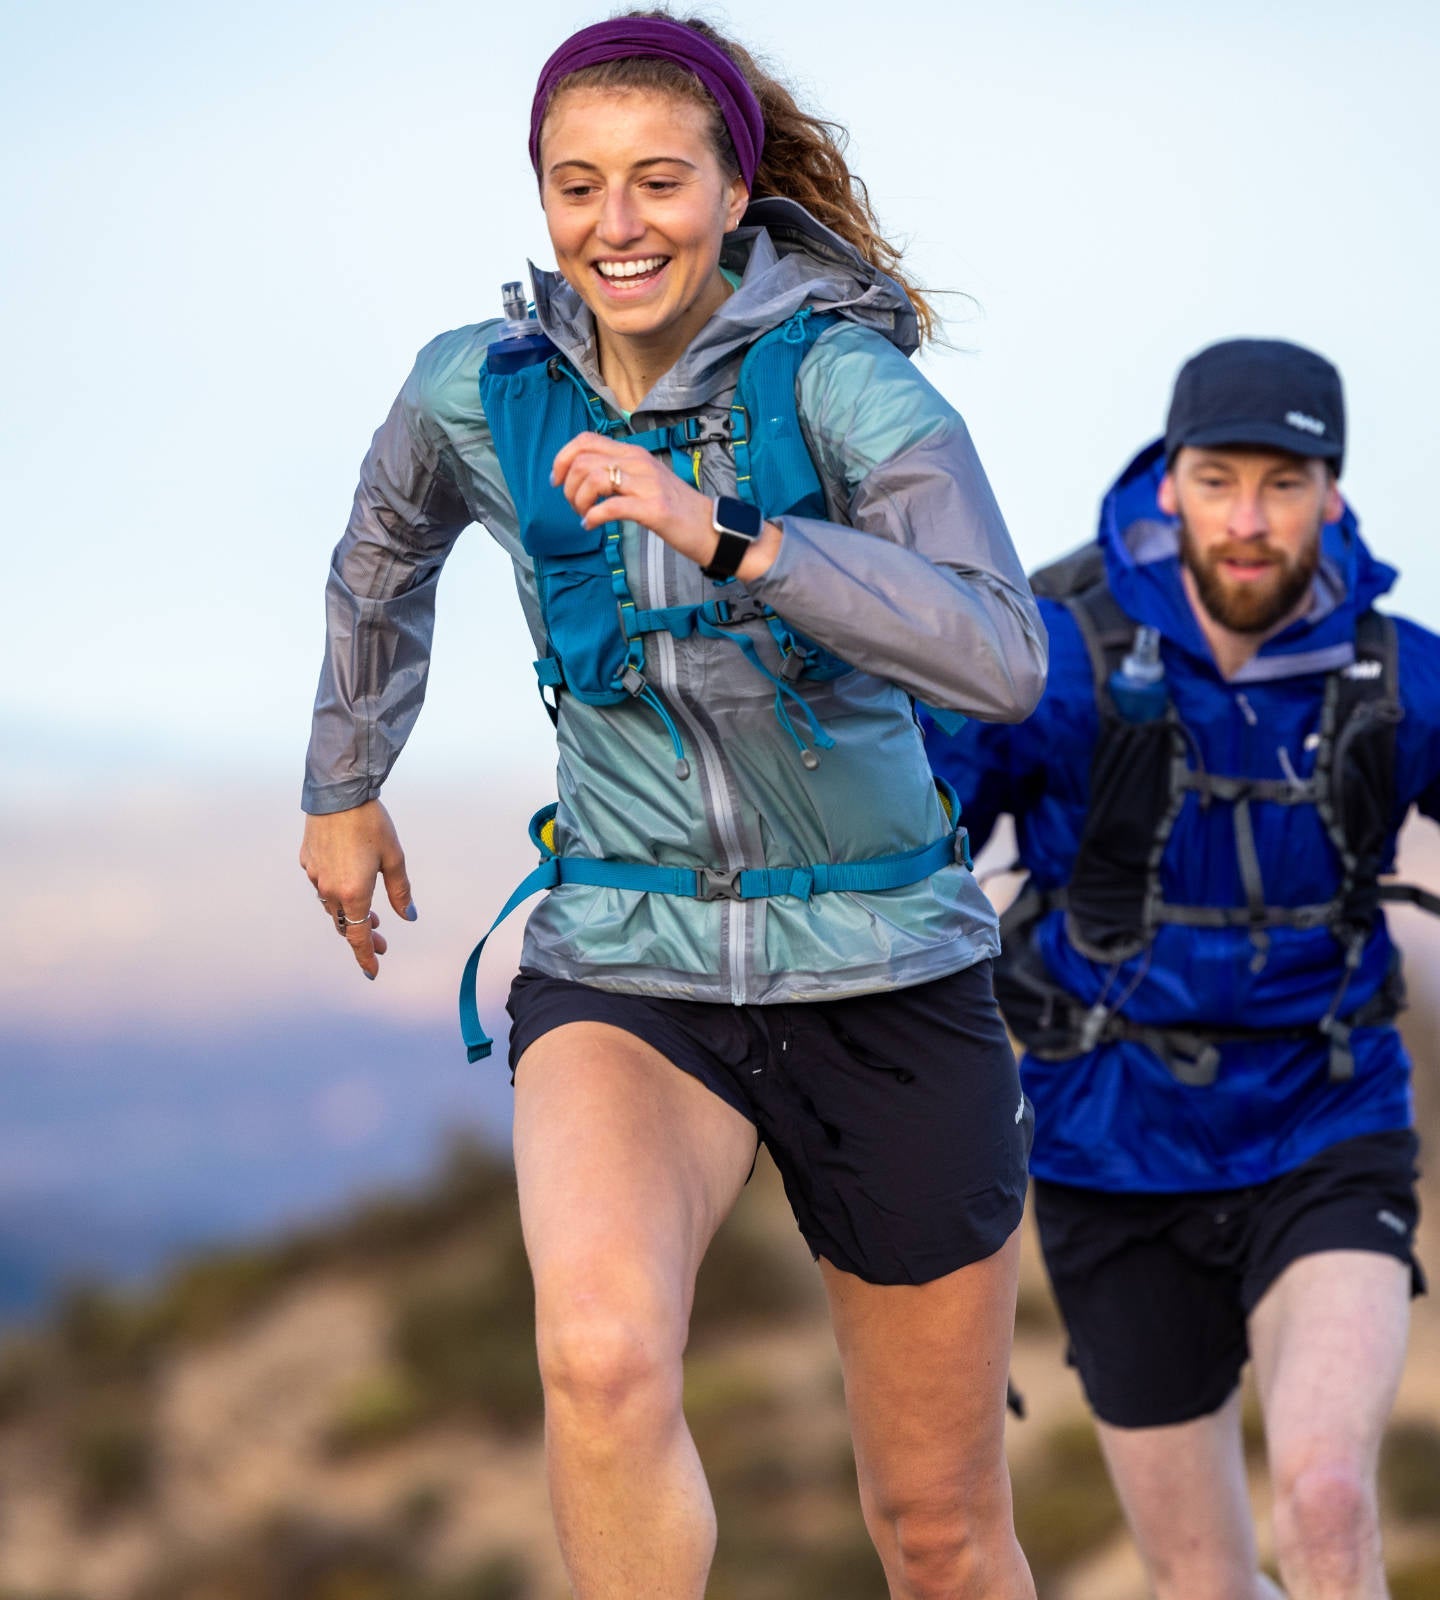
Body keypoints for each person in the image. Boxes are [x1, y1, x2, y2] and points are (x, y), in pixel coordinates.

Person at [299, 13, 1048, 1597]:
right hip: (627, 958)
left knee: (939, 1532)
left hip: (891, 972)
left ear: (731, 188)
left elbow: (999, 651)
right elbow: (383, 551)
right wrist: (344, 784)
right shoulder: (479, 391)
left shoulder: (842, 384)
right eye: (578, 187)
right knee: (600, 1361)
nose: (615, 224)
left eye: (657, 181)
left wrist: (738, 537)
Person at [926, 336, 1437, 1600]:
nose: (1250, 520)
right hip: (1109, 1148)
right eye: (1219, 480)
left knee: (1325, 1501)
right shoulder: (1054, 653)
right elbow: (911, 836)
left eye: (1285, 483)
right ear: (1169, 480)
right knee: (1201, 1582)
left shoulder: (1398, 673)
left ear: (1335, 491)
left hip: (1328, 1118)